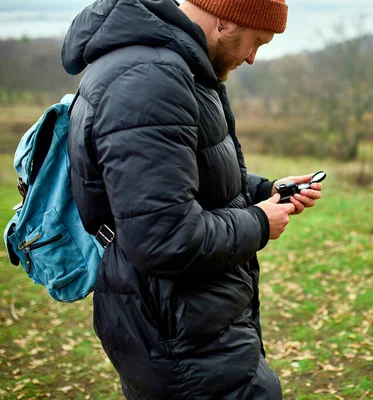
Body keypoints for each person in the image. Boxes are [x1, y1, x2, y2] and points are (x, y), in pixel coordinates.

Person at [61, 0, 323, 398]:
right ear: (224, 20)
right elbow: (164, 238)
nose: (253, 58)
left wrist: (263, 192)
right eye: (257, 41)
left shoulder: (176, 67)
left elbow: (176, 179)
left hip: (190, 321)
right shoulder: (151, 79)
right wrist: (259, 222)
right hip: (177, 332)